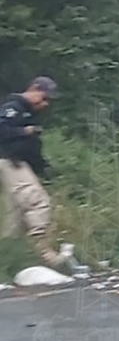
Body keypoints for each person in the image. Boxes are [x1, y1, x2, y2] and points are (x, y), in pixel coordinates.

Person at [0, 76, 66, 268]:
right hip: (9, 161)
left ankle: (10, 258)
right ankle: (45, 254)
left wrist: (43, 167)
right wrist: (25, 132)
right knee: (38, 203)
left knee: (17, 215)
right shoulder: (13, 107)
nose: (45, 104)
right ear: (34, 89)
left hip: (19, 162)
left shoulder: (27, 112)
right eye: (44, 97)